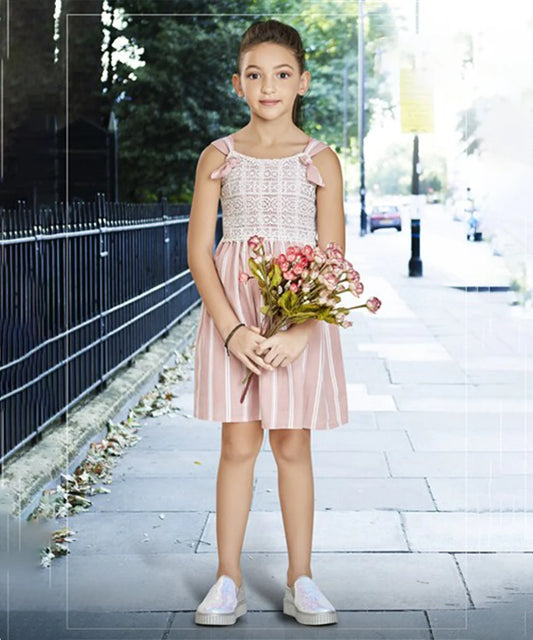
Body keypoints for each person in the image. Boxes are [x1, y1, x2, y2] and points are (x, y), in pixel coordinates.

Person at [187, 18, 348, 627]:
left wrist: (301, 332)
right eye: (254, 75)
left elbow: (332, 256)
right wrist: (231, 329)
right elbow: (200, 250)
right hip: (236, 315)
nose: (268, 86)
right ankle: (227, 579)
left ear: (302, 81)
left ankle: (300, 578)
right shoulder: (218, 157)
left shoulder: (320, 160)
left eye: (282, 74)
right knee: (237, 444)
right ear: (237, 84)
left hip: (296, 314)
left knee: (292, 444)